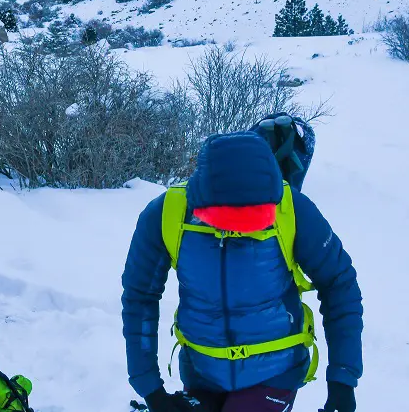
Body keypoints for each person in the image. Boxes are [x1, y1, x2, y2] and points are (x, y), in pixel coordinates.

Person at [121, 124, 363, 412]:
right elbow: (140, 297)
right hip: (201, 372)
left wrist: (342, 380)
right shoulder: (166, 215)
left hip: (275, 372)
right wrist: (151, 390)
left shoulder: (292, 210)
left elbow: (339, 283)